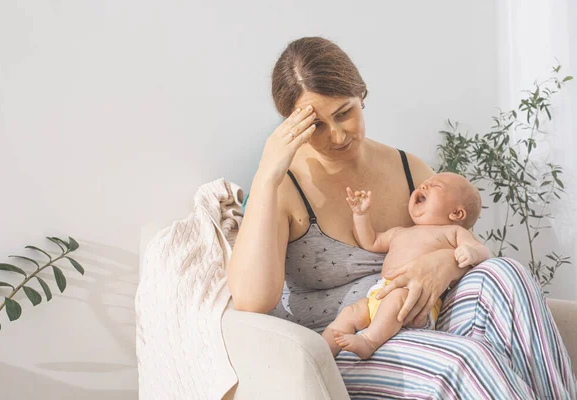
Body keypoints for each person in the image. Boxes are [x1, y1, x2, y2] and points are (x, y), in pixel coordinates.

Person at [227, 36, 576, 398]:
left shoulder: (411, 170)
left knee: (508, 273)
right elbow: (253, 301)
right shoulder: (284, 186)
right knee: (466, 361)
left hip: (421, 318)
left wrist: (443, 265)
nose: (337, 135)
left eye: (344, 113)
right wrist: (268, 173)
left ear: (360, 95)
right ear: (290, 126)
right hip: (350, 342)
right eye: (315, 125)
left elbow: (464, 248)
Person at [323, 173, 491, 360]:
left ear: (456, 213)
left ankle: (369, 342)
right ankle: (321, 354)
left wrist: (471, 253)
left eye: (436, 185)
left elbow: (483, 251)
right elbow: (371, 241)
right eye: (423, 184)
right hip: (380, 293)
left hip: (415, 301)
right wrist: (361, 215)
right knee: (350, 312)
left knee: (396, 298)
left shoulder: (454, 232)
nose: (424, 187)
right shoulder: (400, 232)